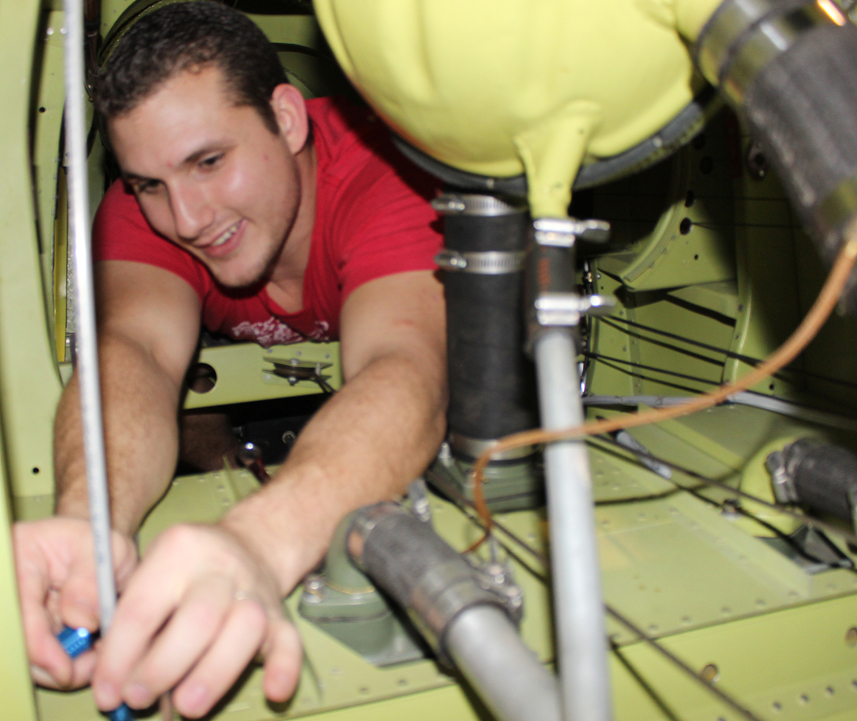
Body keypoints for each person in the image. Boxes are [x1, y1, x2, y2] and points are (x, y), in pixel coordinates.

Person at [13, 2, 447, 718]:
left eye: (208, 161)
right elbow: (140, 352)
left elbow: (408, 368)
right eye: (151, 184)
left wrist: (256, 544)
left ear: (286, 117)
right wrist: (92, 523)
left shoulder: (386, 169)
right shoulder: (141, 203)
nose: (186, 218)